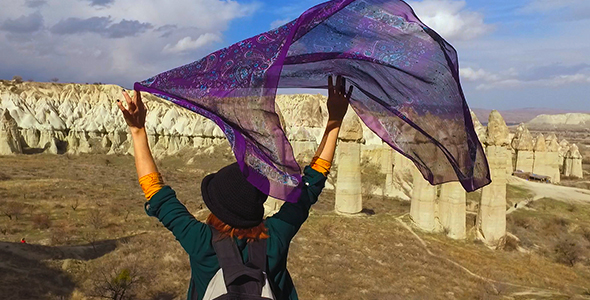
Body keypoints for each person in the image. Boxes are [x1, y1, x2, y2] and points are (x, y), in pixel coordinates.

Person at [117, 75, 353, 300]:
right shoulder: (275, 237)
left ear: (215, 208)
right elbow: (311, 185)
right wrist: (335, 120)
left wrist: (137, 131)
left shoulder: (201, 242)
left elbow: (156, 192)